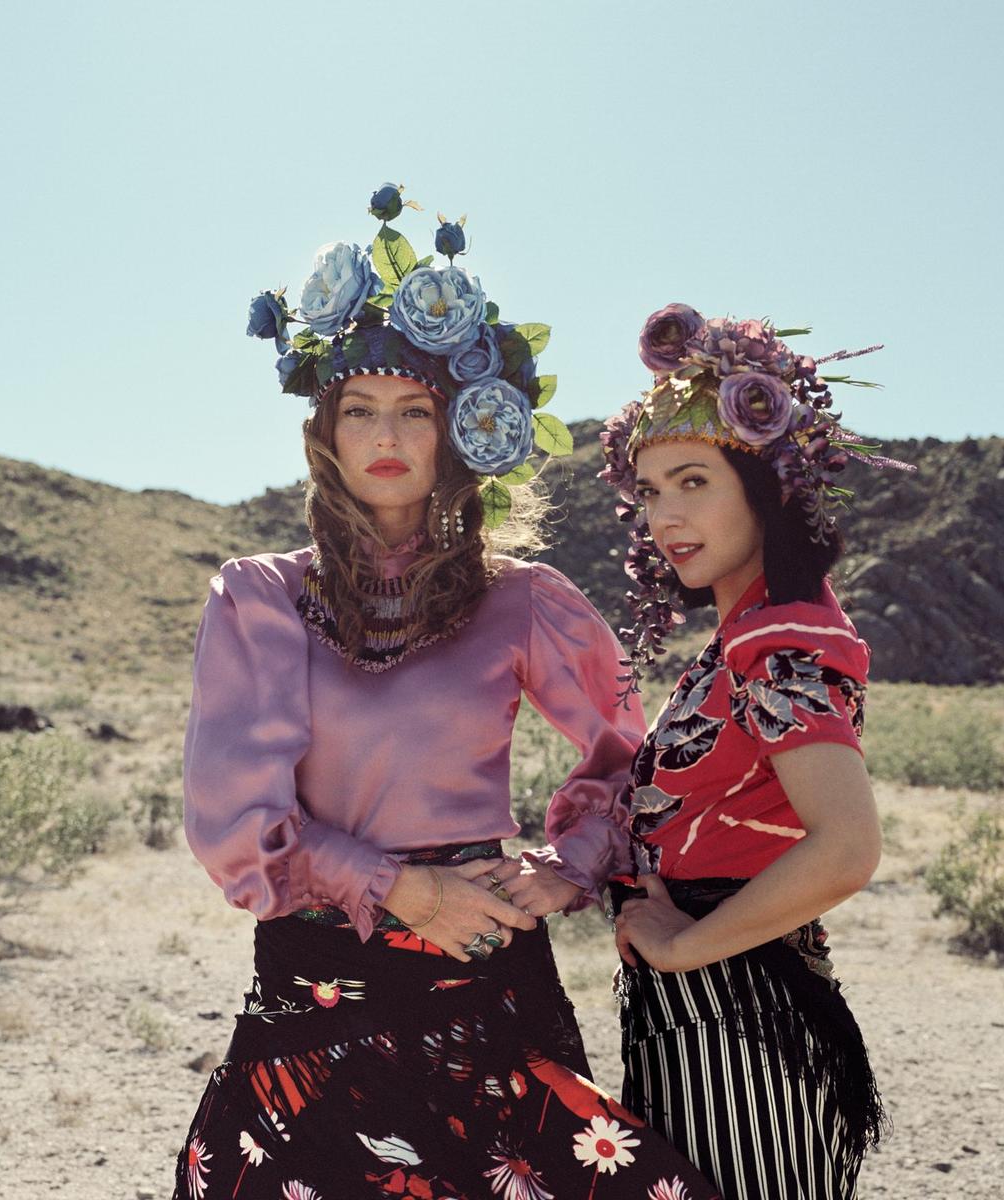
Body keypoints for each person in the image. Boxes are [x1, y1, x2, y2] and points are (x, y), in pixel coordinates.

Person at [171, 191, 720, 1200]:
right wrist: (403, 890)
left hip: (487, 982)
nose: (386, 434)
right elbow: (234, 825)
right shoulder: (260, 599)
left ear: (455, 433)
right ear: (325, 433)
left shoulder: (525, 601)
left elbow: (633, 757)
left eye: (414, 411)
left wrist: (568, 866)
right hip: (321, 989)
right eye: (359, 411)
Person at [597, 304, 907, 1198]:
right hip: (714, 1018)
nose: (666, 515)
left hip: (741, 1027)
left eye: (693, 481)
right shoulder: (747, 634)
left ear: (765, 487)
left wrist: (684, 949)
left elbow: (847, 848)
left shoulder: (779, 640)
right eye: (650, 491)